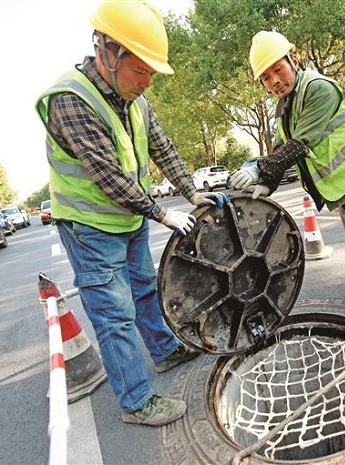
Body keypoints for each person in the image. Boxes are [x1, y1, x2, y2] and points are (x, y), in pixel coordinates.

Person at [35, 0, 229, 427]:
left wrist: (192, 193)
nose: (146, 82)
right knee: (114, 313)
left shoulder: (135, 99)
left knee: (143, 288)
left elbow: (163, 147)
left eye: (151, 74)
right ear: (107, 52)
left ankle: (164, 350)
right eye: (140, 70)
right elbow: (107, 176)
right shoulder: (71, 99)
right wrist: (163, 213)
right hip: (90, 226)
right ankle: (137, 402)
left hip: (128, 218)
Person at [230, 31, 345, 314]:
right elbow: (282, 146)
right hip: (342, 179)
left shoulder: (319, 89)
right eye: (266, 78)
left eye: (278, 70)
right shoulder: (284, 106)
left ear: (294, 60)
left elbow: (301, 143)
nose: (274, 81)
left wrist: (259, 169)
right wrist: (268, 183)